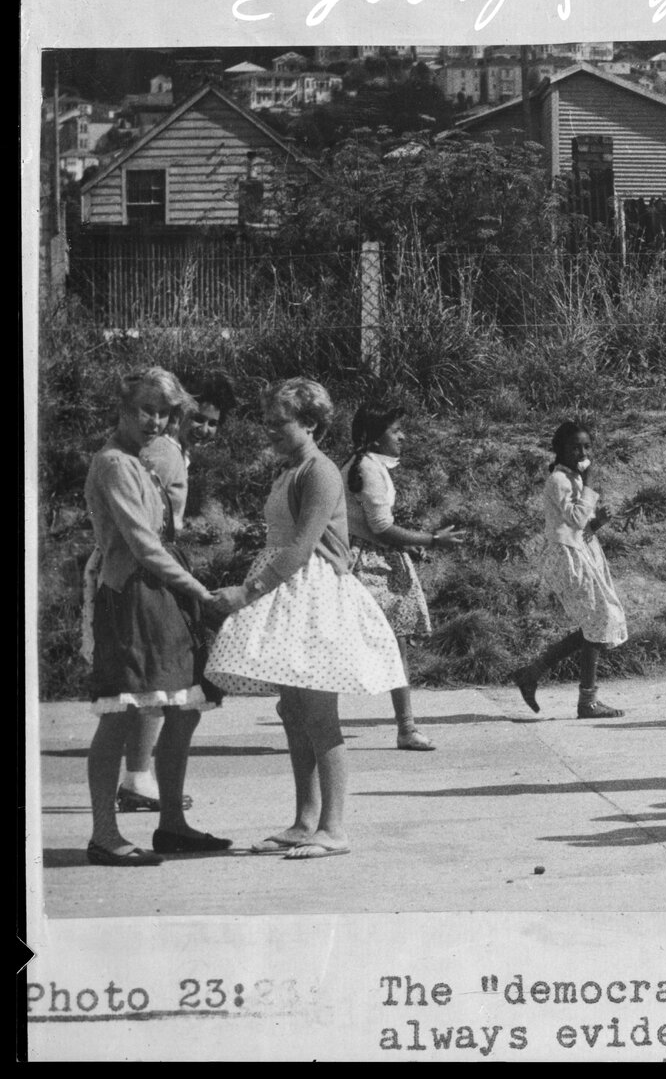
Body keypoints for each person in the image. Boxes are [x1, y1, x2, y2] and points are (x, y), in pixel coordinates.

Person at [206, 378, 408, 860]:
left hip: (313, 592)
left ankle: (333, 828)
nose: (270, 430)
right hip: (287, 589)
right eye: (267, 422)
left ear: (312, 423)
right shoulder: (290, 469)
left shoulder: (320, 471)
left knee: (319, 715)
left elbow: (302, 546)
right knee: (293, 711)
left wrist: (247, 592)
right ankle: (304, 821)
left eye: (281, 422)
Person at [82, 367, 228, 866]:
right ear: (124, 407)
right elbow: (143, 545)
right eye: (147, 410)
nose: (156, 422)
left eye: (165, 413)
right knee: (123, 713)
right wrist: (200, 592)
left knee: (184, 707)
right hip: (133, 594)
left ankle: (172, 824)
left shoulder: (143, 459)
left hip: (163, 591)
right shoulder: (114, 463)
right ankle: (104, 834)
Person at [340, 405, 466, 751]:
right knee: (387, 645)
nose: (403, 437)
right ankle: (405, 728)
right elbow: (381, 526)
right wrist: (431, 539)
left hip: (367, 558)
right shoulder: (368, 468)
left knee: (377, 643)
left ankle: (404, 727)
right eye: (395, 431)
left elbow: (372, 525)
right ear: (375, 436)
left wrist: (407, 544)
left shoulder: (364, 465)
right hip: (370, 566)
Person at [508, 421, 627, 720]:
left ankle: (533, 673)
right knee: (598, 620)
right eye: (575, 447)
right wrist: (590, 484)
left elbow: (580, 526)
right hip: (568, 558)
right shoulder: (559, 480)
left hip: (581, 551)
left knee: (596, 622)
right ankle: (586, 700)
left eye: (587, 447)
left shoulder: (572, 479)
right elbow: (574, 518)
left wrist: (598, 523)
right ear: (560, 450)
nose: (583, 453)